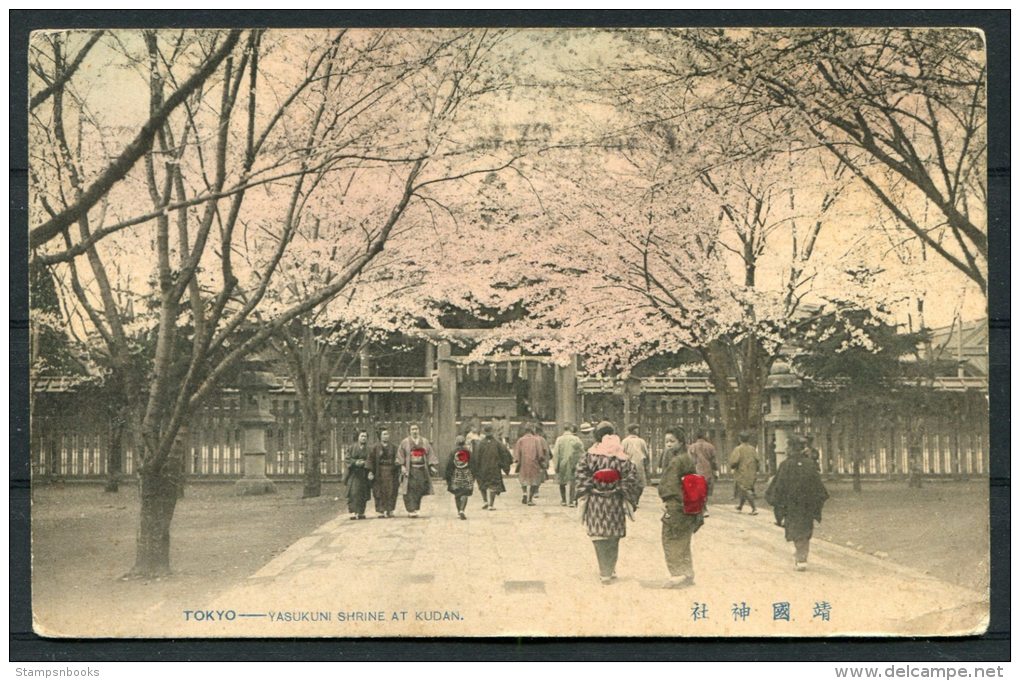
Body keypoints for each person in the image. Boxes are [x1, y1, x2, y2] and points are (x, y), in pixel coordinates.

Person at [574, 420, 640, 585]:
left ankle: (605, 571)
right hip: (615, 501)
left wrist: (591, 487)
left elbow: (581, 474)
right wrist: (619, 488)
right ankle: (610, 568)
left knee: (599, 536)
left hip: (596, 501)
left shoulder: (590, 455)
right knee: (613, 537)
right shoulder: (621, 455)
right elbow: (631, 477)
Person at [765, 435, 830, 571]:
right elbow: (818, 487)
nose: (786, 450)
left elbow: (779, 487)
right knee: (805, 530)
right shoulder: (810, 465)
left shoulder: (785, 465)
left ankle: (801, 558)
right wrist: (815, 503)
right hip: (807, 504)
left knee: (795, 530)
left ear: (791, 449)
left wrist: (777, 502)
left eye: (788, 447)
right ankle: (801, 555)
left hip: (792, 505)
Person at [657, 427, 703, 588]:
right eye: (666, 442)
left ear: (681, 442)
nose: (668, 445)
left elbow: (669, 485)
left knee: (671, 539)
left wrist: (667, 500)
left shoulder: (676, 461)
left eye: (672, 441)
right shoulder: (687, 458)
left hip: (677, 505)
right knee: (684, 539)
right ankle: (688, 573)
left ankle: (677, 575)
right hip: (690, 504)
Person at [396, 423, 438, 518]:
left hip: (421, 469)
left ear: (419, 430)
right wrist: (402, 465)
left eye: (416, 429)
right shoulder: (405, 442)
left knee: (419, 489)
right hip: (410, 469)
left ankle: (416, 508)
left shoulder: (424, 441)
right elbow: (400, 455)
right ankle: (411, 510)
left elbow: (430, 454)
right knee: (410, 490)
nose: (414, 431)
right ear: (409, 431)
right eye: (412, 429)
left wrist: (431, 466)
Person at [471, 424, 512, 510]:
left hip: (482, 468)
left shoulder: (480, 444)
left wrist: (475, 469)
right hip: (494, 468)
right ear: (493, 432)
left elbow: (476, 457)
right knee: (493, 485)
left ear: (484, 432)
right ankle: (491, 504)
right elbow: (505, 455)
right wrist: (505, 466)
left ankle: (485, 501)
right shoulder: (498, 443)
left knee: (482, 484)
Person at [366, 428, 399, 518]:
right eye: (384, 434)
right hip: (379, 472)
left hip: (391, 472)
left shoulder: (394, 447)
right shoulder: (374, 448)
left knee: (391, 490)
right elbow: (370, 460)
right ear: (380, 436)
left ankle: (390, 510)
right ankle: (381, 510)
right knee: (379, 491)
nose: (386, 436)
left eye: (387, 434)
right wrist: (370, 472)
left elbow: (398, 458)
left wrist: (397, 462)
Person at [513, 422, 549, 506]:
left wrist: (517, 461)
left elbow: (516, 454)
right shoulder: (536, 440)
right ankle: (530, 499)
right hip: (534, 463)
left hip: (523, 463)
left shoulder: (520, 440)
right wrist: (542, 461)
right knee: (534, 481)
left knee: (523, 479)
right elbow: (540, 454)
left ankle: (524, 493)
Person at [728, 431, 761, 515]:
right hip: (752, 472)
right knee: (744, 489)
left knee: (745, 489)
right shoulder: (752, 448)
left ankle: (754, 508)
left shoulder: (738, 449)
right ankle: (740, 506)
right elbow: (758, 460)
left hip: (742, 472)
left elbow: (734, 461)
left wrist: (732, 466)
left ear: (740, 439)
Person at [552, 423, 584, 506]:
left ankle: (563, 500)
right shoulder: (576, 439)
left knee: (562, 482)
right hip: (573, 462)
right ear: (571, 429)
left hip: (562, 462)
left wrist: (556, 465)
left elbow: (556, 453)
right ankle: (571, 501)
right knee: (573, 482)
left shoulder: (559, 439)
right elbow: (581, 452)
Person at [444, 436, 474, 520]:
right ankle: (462, 510)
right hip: (466, 473)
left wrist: (447, 477)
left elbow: (449, 465)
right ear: (464, 442)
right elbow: (473, 463)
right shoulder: (468, 452)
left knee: (457, 493)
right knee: (465, 492)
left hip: (456, 474)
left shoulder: (453, 452)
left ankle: (458, 511)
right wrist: (473, 474)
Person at [688, 431, 718, 515]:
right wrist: (715, 470)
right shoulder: (710, 446)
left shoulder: (692, 447)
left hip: (697, 469)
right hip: (708, 470)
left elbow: (690, 460)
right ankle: (703, 508)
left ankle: (703, 508)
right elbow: (714, 461)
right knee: (706, 490)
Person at [344, 430, 372, 520]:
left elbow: (371, 460)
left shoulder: (369, 449)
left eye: (365, 436)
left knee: (363, 493)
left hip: (364, 473)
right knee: (353, 492)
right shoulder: (352, 447)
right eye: (361, 436)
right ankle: (353, 512)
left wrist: (364, 463)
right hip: (354, 473)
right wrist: (355, 462)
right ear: (358, 437)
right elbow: (347, 458)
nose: (363, 438)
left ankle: (360, 512)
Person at [620, 424, 650, 508]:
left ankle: (633, 500)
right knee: (638, 484)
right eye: (636, 429)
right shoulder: (639, 441)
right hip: (636, 464)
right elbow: (646, 454)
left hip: (631, 464)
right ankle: (634, 500)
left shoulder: (627, 441)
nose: (637, 431)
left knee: (634, 483)